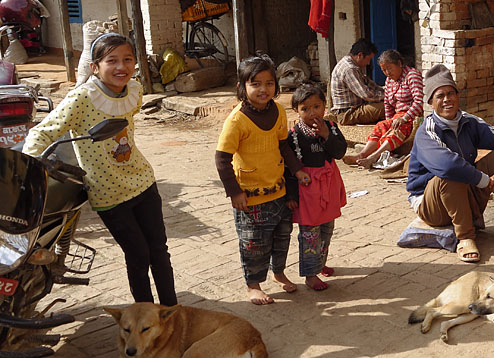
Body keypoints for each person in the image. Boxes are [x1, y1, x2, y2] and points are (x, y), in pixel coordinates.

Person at [23, 33, 177, 306]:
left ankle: (171, 310)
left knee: (159, 251)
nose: (121, 67)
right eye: (112, 60)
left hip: (143, 181)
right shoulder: (82, 98)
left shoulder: (135, 90)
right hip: (108, 194)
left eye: (127, 59)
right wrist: (32, 169)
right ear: (95, 67)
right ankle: (145, 315)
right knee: (138, 255)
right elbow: (41, 133)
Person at [406, 64, 494, 263]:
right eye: (440, 96)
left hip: (465, 193)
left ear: (458, 96)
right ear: (431, 102)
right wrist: (486, 181)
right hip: (432, 206)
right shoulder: (427, 131)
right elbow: (448, 166)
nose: (447, 99)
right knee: (452, 173)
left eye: (451, 93)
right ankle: (465, 237)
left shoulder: (469, 121)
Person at [215, 55, 310, 305]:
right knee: (253, 244)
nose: (263, 89)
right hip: (250, 198)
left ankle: (278, 272)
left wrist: (297, 170)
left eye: (269, 83)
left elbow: (284, 146)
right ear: (242, 87)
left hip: (278, 192)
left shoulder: (278, 111)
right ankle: (253, 285)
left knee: (281, 237)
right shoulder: (237, 120)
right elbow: (222, 159)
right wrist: (235, 192)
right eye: (255, 83)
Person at [285, 85, 347, 291]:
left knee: (327, 227)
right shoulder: (293, 136)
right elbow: (288, 168)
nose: (312, 113)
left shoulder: (331, 127)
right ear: (296, 111)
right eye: (305, 109)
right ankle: (310, 275)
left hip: (328, 185)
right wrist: (291, 195)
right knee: (309, 232)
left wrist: (326, 134)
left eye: (316, 106)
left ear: (325, 106)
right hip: (307, 189)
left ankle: (319, 263)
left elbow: (339, 152)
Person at [343, 50, 423, 167]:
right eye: (384, 70)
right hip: (397, 117)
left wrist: (404, 118)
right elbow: (388, 104)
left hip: (412, 118)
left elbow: (419, 101)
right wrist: (389, 122)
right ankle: (362, 154)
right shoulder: (389, 81)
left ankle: (374, 156)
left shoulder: (412, 75)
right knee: (381, 126)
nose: (387, 73)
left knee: (397, 128)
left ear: (399, 64)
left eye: (389, 68)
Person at [328, 38, 385, 125]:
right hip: (347, 114)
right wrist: (387, 96)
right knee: (386, 107)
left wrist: (387, 90)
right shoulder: (350, 69)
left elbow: (370, 85)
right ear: (360, 55)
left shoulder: (352, 65)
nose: (368, 63)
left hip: (354, 108)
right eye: (368, 59)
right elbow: (366, 94)